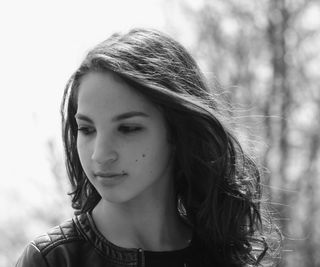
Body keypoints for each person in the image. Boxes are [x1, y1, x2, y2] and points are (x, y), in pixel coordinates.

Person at [16, 28, 280, 267]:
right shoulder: (51, 261)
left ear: (178, 132)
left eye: (128, 128)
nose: (100, 154)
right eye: (87, 129)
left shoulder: (223, 258)